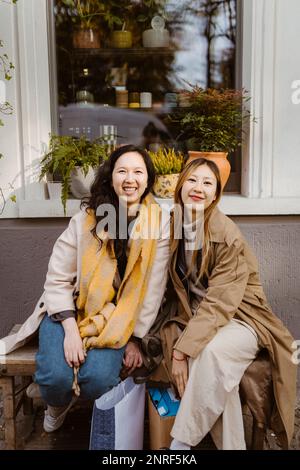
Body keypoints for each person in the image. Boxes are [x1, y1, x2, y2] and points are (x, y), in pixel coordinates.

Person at [0, 144, 170, 433]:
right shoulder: (86, 219)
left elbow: (152, 290)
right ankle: (56, 405)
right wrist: (69, 331)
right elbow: (57, 279)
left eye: (138, 172)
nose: (130, 178)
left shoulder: (161, 222)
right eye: (123, 171)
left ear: (148, 180)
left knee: (99, 379)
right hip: (72, 309)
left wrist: (137, 339)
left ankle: (75, 400)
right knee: (54, 378)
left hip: (118, 317)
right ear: (110, 177)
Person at [159, 158, 297, 450]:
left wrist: (182, 351)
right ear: (181, 184)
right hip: (202, 316)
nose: (198, 188)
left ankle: (180, 446)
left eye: (208, 183)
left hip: (244, 320)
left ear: (215, 195)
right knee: (223, 381)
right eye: (193, 180)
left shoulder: (225, 233)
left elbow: (221, 303)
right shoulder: (174, 223)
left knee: (209, 353)